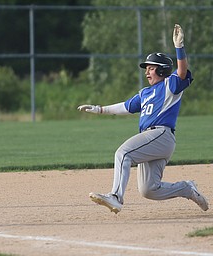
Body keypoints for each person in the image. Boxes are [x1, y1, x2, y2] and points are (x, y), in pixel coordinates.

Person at [77, 24, 209, 214]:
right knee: (149, 190)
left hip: (161, 135)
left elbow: (181, 72)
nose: (147, 72)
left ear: (162, 70)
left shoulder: (169, 85)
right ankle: (187, 188)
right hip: (153, 141)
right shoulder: (145, 93)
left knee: (123, 153)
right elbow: (126, 107)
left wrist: (179, 47)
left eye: (151, 68)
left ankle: (115, 197)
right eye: (146, 68)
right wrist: (99, 109)